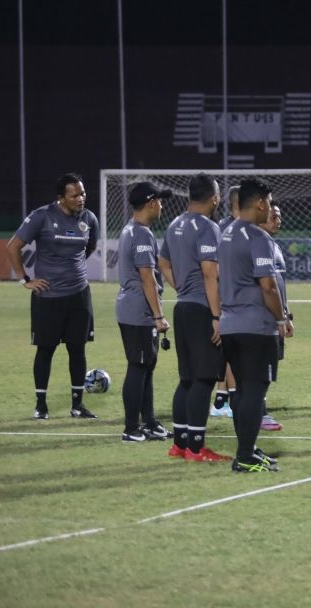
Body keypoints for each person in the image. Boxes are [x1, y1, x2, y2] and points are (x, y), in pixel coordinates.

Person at [7, 173, 101, 420]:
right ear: (61, 198)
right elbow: (13, 246)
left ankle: (77, 405)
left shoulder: (89, 219)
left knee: (77, 350)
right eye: (75, 195)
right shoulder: (42, 216)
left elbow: (89, 247)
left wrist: (73, 270)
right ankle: (41, 405)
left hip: (79, 295)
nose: (81, 198)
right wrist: (25, 279)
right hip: (47, 297)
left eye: (82, 193)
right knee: (46, 349)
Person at [158, 173, 231, 462]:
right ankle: (197, 449)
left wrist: (182, 287)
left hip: (182, 307)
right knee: (203, 379)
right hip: (203, 310)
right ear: (214, 198)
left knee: (186, 379)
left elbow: (162, 262)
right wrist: (217, 316)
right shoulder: (208, 228)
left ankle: (180, 444)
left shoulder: (174, 224)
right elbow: (210, 273)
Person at [218, 177, 286, 472]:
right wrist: (282, 318)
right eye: (269, 203)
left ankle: (248, 449)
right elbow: (268, 287)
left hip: (230, 324)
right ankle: (244, 456)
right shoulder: (259, 238)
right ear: (259, 203)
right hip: (255, 326)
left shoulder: (226, 233)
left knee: (241, 392)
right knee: (256, 391)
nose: (269, 209)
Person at [115, 181, 175, 443]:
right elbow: (148, 278)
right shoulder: (141, 234)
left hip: (134, 308)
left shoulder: (131, 229)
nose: (162, 205)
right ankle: (131, 428)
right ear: (151, 203)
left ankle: (149, 423)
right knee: (138, 366)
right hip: (139, 310)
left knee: (147, 365)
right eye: (160, 201)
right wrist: (159, 315)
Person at [258, 203, 293, 432]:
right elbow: (267, 287)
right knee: (260, 369)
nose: (277, 219)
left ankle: (257, 410)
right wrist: (279, 318)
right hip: (263, 319)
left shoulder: (272, 244)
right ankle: (258, 414)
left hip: (276, 316)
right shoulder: (258, 243)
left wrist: (287, 314)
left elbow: (279, 285)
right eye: (273, 215)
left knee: (268, 367)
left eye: (279, 216)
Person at [211, 183, 241, 418]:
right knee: (234, 350)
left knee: (228, 351)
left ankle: (222, 398)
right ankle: (233, 398)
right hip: (229, 300)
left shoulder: (222, 227)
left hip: (224, 299)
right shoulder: (232, 231)